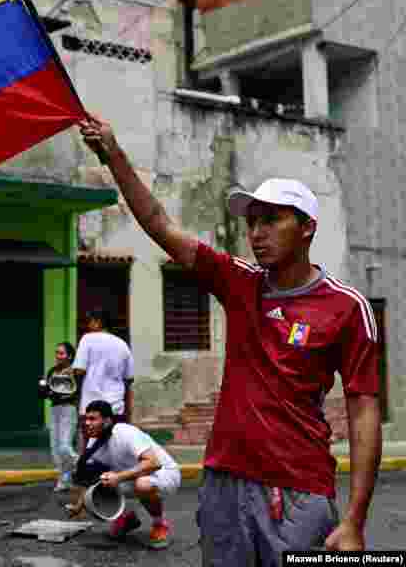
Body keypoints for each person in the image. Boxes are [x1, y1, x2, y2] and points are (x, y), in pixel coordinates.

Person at [79, 114, 380, 559]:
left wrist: (355, 520)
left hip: (298, 488)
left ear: (307, 227)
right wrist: (114, 155)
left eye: (272, 221)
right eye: (252, 222)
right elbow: (159, 223)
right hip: (225, 483)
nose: (256, 234)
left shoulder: (347, 307)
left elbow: (363, 414)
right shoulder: (240, 282)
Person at [69, 400, 180, 549]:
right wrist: (79, 506)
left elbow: (154, 463)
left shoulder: (123, 432)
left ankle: (159, 524)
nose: (87, 423)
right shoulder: (94, 442)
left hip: (164, 474)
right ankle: (127, 519)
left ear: (107, 420)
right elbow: (90, 478)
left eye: (93, 419)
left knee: (142, 485)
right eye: (86, 419)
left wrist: (118, 477)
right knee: (98, 488)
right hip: (134, 475)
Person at [73, 308, 134, 458]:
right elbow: (129, 378)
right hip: (115, 407)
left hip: (91, 406)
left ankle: (90, 479)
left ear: (97, 322)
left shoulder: (87, 339)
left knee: (90, 451)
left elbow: (79, 370)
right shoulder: (122, 344)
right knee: (114, 450)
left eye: (90, 321)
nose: (88, 325)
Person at [40, 341, 79, 493]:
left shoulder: (74, 372)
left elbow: (74, 392)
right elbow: (47, 393)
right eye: (57, 353)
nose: (58, 356)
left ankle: (82, 464)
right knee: (55, 448)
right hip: (55, 410)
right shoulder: (52, 371)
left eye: (61, 353)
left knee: (64, 446)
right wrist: (44, 390)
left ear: (69, 356)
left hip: (68, 410)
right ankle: (64, 480)